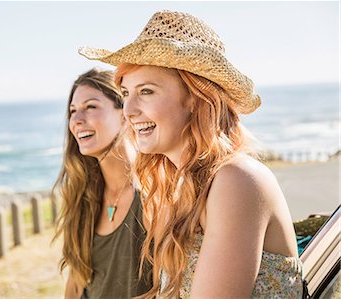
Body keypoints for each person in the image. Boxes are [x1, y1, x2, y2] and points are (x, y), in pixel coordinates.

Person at [79, 10, 303, 298]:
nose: (129, 111)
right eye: (125, 93)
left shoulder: (238, 180)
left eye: (146, 91)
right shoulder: (179, 187)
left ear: (196, 100)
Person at [52, 68, 152, 298]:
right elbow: (75, 286)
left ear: (124, 113)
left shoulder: (153, 195)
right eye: (73, 111)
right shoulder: (83, 197)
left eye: (90, 107)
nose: (76, 120)